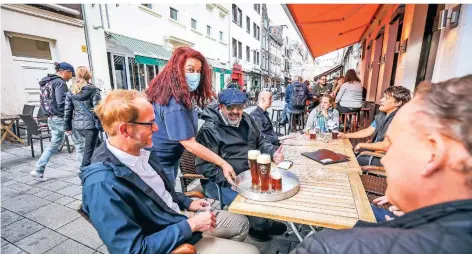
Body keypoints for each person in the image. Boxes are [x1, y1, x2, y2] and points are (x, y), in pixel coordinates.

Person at [292, 74, 472, 254]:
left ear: (434, 154)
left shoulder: (324, 248)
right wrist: (419, 216)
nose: (385, 157)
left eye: (394, 144)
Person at [80, 90, 259, 254]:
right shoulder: (102, 184)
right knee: (252, 251)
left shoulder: (143, 152)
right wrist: (191, 225)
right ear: (125, 130)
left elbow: (163, 194)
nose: (157, 129)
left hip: (177, 218)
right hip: (171, 238)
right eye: (150, 123)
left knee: (242, 223)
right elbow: (131, 250)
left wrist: (188, 202)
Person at [195, 89, 287, 242]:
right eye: (230, 107)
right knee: (253, 197)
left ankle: (265, 222)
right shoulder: (209, 129)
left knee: (274, 186)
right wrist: (230, 180)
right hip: (222, 182)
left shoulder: (247, 119)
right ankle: (258, 227)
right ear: (221, 107)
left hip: (251, 173)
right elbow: (204, 166)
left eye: (239, 107)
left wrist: (273, 153)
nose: (235, 112)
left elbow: (260, 141)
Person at [146, 47, 235, 188]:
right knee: (167, 200)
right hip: (161, 163)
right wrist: (222, 163)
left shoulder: (180, 97)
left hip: (169, 159)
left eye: (199, 71)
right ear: (177, 71)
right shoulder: (174, 104)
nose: (195, 75)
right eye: (191, 70)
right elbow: (190, 144)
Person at [338, 86, 411, 166]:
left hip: (386, 160)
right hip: (375, 154)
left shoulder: (399, 120)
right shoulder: (383, 115)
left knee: (348, 160)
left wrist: (361, 144)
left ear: (398, 103)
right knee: (345, 156)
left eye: (386, 98)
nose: (381, 100)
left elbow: (386, 146)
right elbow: (367, 131)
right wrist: (345, 135)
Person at [30, 62, 75, 180]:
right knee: (81, 143)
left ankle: (38, 169)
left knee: (53, 145)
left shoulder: (45, 83)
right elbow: (62, 102)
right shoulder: (60, 82)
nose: (71, 78)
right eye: (71, 75)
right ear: (66, 72)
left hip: (50, 118)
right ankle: (86, 172)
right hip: (61, 118)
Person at [64, 66, 101, 169]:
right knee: (88, 154)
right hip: (90, 126)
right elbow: (97, 110)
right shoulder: (93, 90)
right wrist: (101, 124)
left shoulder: (71, 91)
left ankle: (102, 167)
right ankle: (84, 174)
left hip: (78, 126)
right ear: (88, 76)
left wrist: (67, 127)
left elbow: (68, 111)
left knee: (100, 146)